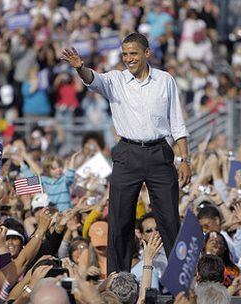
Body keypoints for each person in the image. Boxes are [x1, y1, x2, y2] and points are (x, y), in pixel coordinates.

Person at [62, 32, 191, 274]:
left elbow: (178, 124)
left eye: (133, 53)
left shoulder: (165, 81)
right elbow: (93, 79)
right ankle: (117, 278)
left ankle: (180, 280)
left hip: (159, 152)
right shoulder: (115, 80)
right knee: (119, 220)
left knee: (170, 220)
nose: (128, 58)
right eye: (124, 54)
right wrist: (80, 68)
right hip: (127, 153)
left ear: (146, 53)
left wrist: (185, 159)